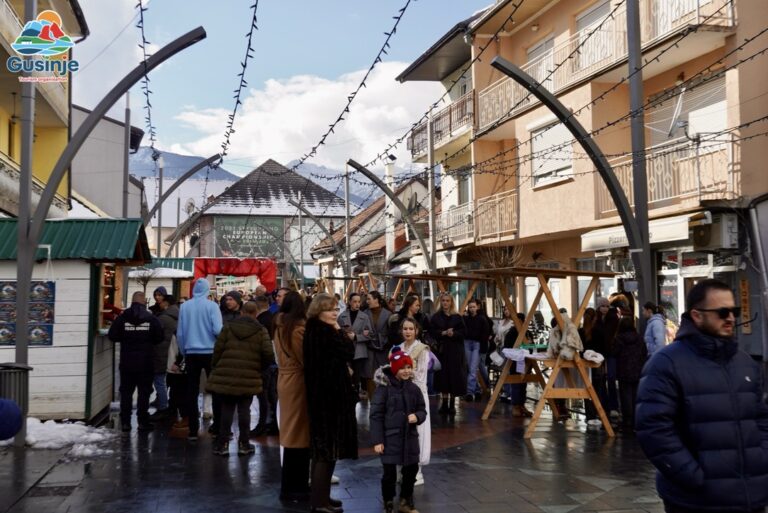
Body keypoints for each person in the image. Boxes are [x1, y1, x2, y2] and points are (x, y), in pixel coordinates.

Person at [636, 279, 768, 513]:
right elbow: (653, 428)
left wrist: (762, 459)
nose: (731, 318)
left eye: (734, 311)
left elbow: (761, 417)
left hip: (751, 497)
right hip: (696, 500)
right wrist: (692, 475)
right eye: (722, 312)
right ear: (697, 316)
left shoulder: (745, 363)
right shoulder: (666, 363)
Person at [303, 293, 357, 513]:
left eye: (336, 308)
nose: (335, 313)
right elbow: (348, 351)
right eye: (329, 309)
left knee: (325, 450)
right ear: (318, 311)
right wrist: (339, 330)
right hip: (328, 397)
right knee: (325, 451)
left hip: (325, 395)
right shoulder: (323, 332)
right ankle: (319, 502)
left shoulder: (315, 330)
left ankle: (322, 496)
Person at [206, 301, 273, 456]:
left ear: (242, 312)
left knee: (227, 408)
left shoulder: (228, 327)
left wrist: (216, 365)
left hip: (227, 373)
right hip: (249, 375)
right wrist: (259, 367)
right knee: (244, 410)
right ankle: (244, 443)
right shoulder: (261, 330)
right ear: (256, 314)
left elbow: (218, 349)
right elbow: (268, 354)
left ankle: (223, 444)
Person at [370, 348, 427, 513]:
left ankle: (405, 501)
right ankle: (388, 501)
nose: (406, 371)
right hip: (390, 438)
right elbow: (376, 416)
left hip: (410, 437)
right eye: (402, 368)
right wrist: (378, 441)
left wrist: (418, 416)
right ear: (395, 369)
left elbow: (422, 410)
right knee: (389, 474)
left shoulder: (414, 389)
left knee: (411, 470)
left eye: (409, 367)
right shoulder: (384, 389)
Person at [108, 291, 163, 432]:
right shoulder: (151, 319)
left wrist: (125, 337)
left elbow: (112, 335)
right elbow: (159, 337)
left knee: (126, 393)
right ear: (144, 302)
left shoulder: (122, 318)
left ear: (132, 301)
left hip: (127, 362)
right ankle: (142, 421)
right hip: (145, 362)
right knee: (144, 393)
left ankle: (125, 422)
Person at [274, 291, 311, 503]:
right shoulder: (297, 330)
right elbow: (306, 358)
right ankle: (296, 487)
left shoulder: (279, 327)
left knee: (291, 434)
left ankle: (290, 487)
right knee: (299, 435)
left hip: (285, 380)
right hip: (297, 382)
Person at [177, 278, 223, 442]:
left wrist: (184, 351)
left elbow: (180, 333)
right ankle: (217, 427)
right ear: (207, 291)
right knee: (215, 389)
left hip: (191, 352)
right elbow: (217, 329)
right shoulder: (212, 306)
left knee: (192, 390)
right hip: (210, 352)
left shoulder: (185, 306)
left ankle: (193, 430)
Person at [399, 317, 431, 486]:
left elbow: (421, 376)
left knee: (418, 432)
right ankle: (403, 468)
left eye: (411, 328)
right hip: (399, 395)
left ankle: (416, 470)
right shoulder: (397, 348)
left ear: (416, 331)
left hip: (416, 395)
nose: (408, 331)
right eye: (405, 328)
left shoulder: (422, 349)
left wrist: (404, 374)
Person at [430, 293, 466, 415]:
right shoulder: (436, 317)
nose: (445, 303)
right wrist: (443, 333)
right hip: (442, 351)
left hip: (455, 351)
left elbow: (464, 333)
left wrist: (454, 334)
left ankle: (452, 404)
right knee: (443, 376)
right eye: (443, 300)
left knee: (454, 376)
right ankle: (444, 403)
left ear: (451, 302)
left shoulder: (457, 317)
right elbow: (432, 332)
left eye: (448, 300)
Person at [612, 316, 647, 432]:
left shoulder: (619, 339)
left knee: (625, 396)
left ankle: (627, 421)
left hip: (624, 370)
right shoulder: (639, 338)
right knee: (636, 396)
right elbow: (644, 352)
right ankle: (636, 420)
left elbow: (614, 352)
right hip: (637, 370)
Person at [251, 294, 278, 437]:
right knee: (271, 395)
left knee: (264, 396)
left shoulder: (260, 321)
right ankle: (273, 423)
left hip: (265, 363)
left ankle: (264, 424)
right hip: (272, 362)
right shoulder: (273, 318)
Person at [337, 292, 373, 398]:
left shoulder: (364, 317)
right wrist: (344, 336)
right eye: (355, 302)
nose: (357, 304)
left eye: (359, 302)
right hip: (345, 351)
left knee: (356, 377)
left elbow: (369, 335)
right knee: (346, 375)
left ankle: (355, 396)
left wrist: (356, 337)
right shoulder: (342, 316)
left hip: (359, 352)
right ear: (349, 302)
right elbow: (337, 332)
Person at [151, 294, 179, 421]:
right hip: (173, 354)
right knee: (170, 382)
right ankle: (169, 406)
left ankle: (162, 407)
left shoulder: (163, 318)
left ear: (166, 303)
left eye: (161, 302)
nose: (159, 304)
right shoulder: (178, 315)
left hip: (161, 353)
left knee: (159, 381)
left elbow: (154, 335)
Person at [502, 312, 533, 417]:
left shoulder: (528, 333)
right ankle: (515, 405)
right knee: (515, 383)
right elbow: (507, 347)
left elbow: (532, 346)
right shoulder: (511, 333)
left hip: (526, 362)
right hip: (515, 363)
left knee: (523, 384)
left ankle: (521, 405)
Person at [462, 298, 492, 402]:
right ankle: (477, 389)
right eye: (470, 307)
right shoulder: (465, 319)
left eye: (473, 307)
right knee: (470, 368)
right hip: (467, 343)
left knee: (473, 368)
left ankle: (469, 392)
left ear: (477, 307)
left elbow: (485, 333)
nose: (472, 309)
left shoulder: (482, 319)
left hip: (477, 345)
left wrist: (483, 349)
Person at [365, 291, 392, 400]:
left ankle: (383, 402)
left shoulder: (388, 314)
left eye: (369, 299)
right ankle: (372, 403)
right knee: (370, 377)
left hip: (383, 349)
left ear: (376, 300)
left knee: (383, 376)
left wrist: (384, 341)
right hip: (369, 349)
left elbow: (391, 333)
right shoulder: (364, 313)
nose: (367, 301)